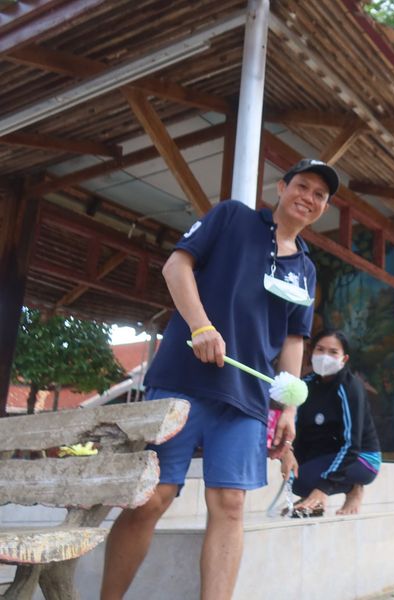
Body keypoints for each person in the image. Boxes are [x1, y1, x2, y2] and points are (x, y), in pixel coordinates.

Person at [100, 158, 340, 600]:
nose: (308, 198)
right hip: (182, 381)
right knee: (153, 497)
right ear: (282, 187)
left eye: (319, 195)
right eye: (302, 186)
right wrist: (201, 326)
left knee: (231, 505)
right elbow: (175, 267)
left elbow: (293, 340)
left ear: (324, 208)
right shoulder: (232, 217)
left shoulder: (306, 269)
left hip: (247, 400)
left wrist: (288, 408)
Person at [281, 328, 381, 516]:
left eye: (333, 352)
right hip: (328, 453)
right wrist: (288, 452)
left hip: (361, 458)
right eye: (320, 349)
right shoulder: (305, 385)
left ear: (344, 359)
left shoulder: (349, 387)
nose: (325, 356)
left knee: (309, 479)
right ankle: (312, 498)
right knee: (297, 480)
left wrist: (323, 487)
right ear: (311, 352)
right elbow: (296, 429)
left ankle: (353, 488)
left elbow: (352, 445)